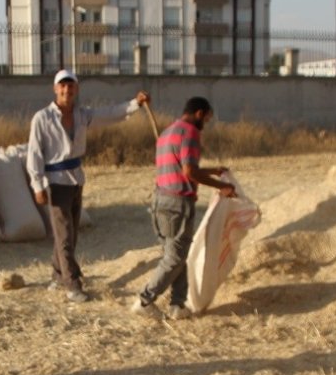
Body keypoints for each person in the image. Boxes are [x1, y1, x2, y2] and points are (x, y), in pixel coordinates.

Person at [27, 69, 150, 303]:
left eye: (70, 86)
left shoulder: (82, 115)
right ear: (55, 89)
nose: (66, 90)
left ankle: (57, 275)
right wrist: (37, 185)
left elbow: (111, 114)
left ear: (76, 89)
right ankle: (72, 285)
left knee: (70, 234)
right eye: (62, 86)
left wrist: (136, 104)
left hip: (76, 179)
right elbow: (34, 153)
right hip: (55, 182)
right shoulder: (42, 118)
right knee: (64, 235)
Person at [132, 96, 236, 320]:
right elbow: (189, 172)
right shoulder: (190, 133)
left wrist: (213, 171)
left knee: (179, 256)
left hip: (160, 201)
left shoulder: (168, 133)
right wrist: (223, 187)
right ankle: (145, 300)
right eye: (206, 119)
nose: (205, 124)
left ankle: (177, 305)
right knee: (175, 258)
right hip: (177, 203)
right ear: (199, 113)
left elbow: (183, 168)